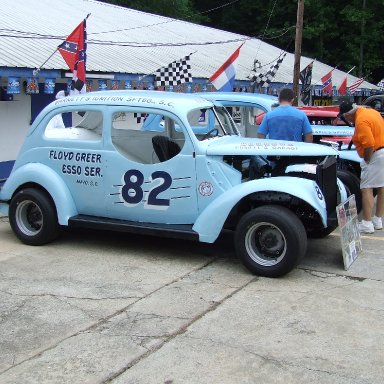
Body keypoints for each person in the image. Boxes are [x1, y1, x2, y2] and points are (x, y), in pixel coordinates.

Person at [338, 100, 384, 233]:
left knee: (366, 188)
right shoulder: (372, 112)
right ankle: (377, 219)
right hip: (382, 150)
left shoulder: (361, 120)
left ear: (348, 115)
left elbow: (369, 144)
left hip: (375, 154)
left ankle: (367, 223)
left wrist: (367, 160)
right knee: (381, 187)